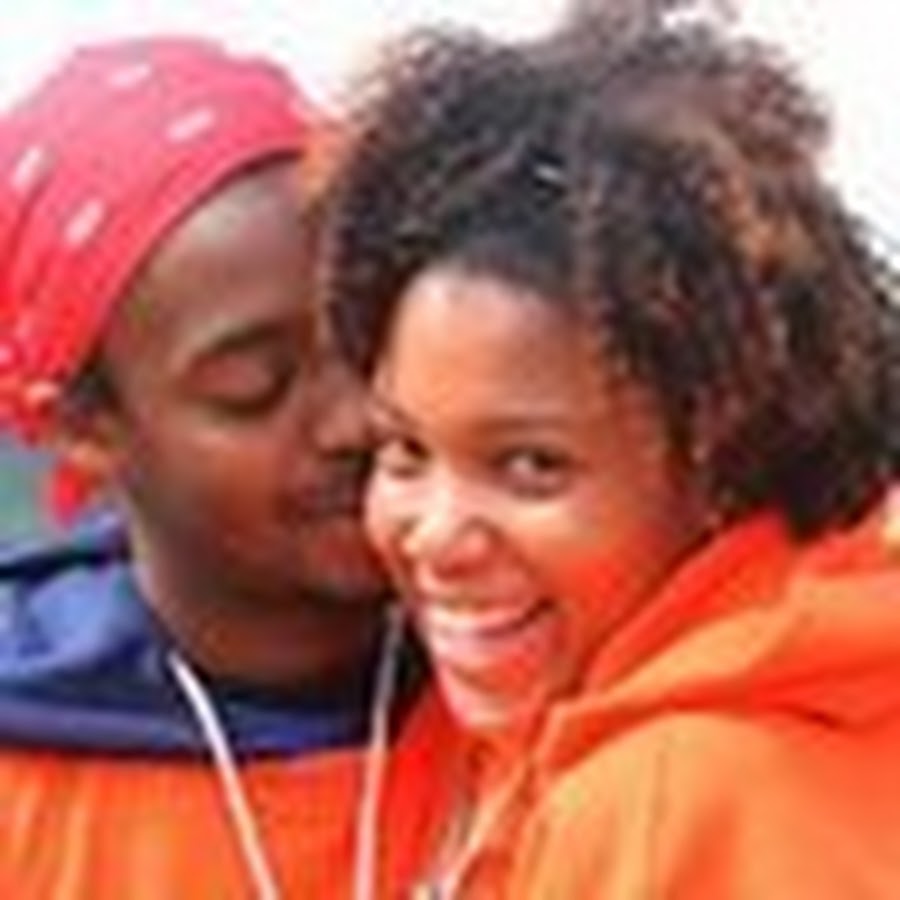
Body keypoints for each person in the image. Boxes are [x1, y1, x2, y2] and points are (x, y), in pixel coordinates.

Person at [320, 2, 900, 896]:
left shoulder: (670, 793)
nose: (434, 534)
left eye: (531, 466)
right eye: (404, 451)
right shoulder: (815, 678)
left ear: (725, 453)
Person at [0, 36, 458, 899]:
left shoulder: (549, 674)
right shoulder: (26, 772)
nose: (357, 419)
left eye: (368, 337)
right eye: (256, 386)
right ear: (82, 428)